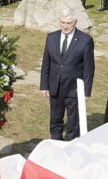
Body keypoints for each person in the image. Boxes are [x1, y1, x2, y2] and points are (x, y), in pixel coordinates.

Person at [40, 9, 95, 141]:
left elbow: (89, 68)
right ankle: (55, 142)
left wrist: (86, 92)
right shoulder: (51, 37)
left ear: (75, 22)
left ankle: (71, 145)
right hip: (55, 87)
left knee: (73, 122)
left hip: (74, 89)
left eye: (69, 23)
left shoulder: (85, 40)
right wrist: (44, 85)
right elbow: (46, 63)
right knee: (55, 119)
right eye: (62, 22)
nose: (65, 26)